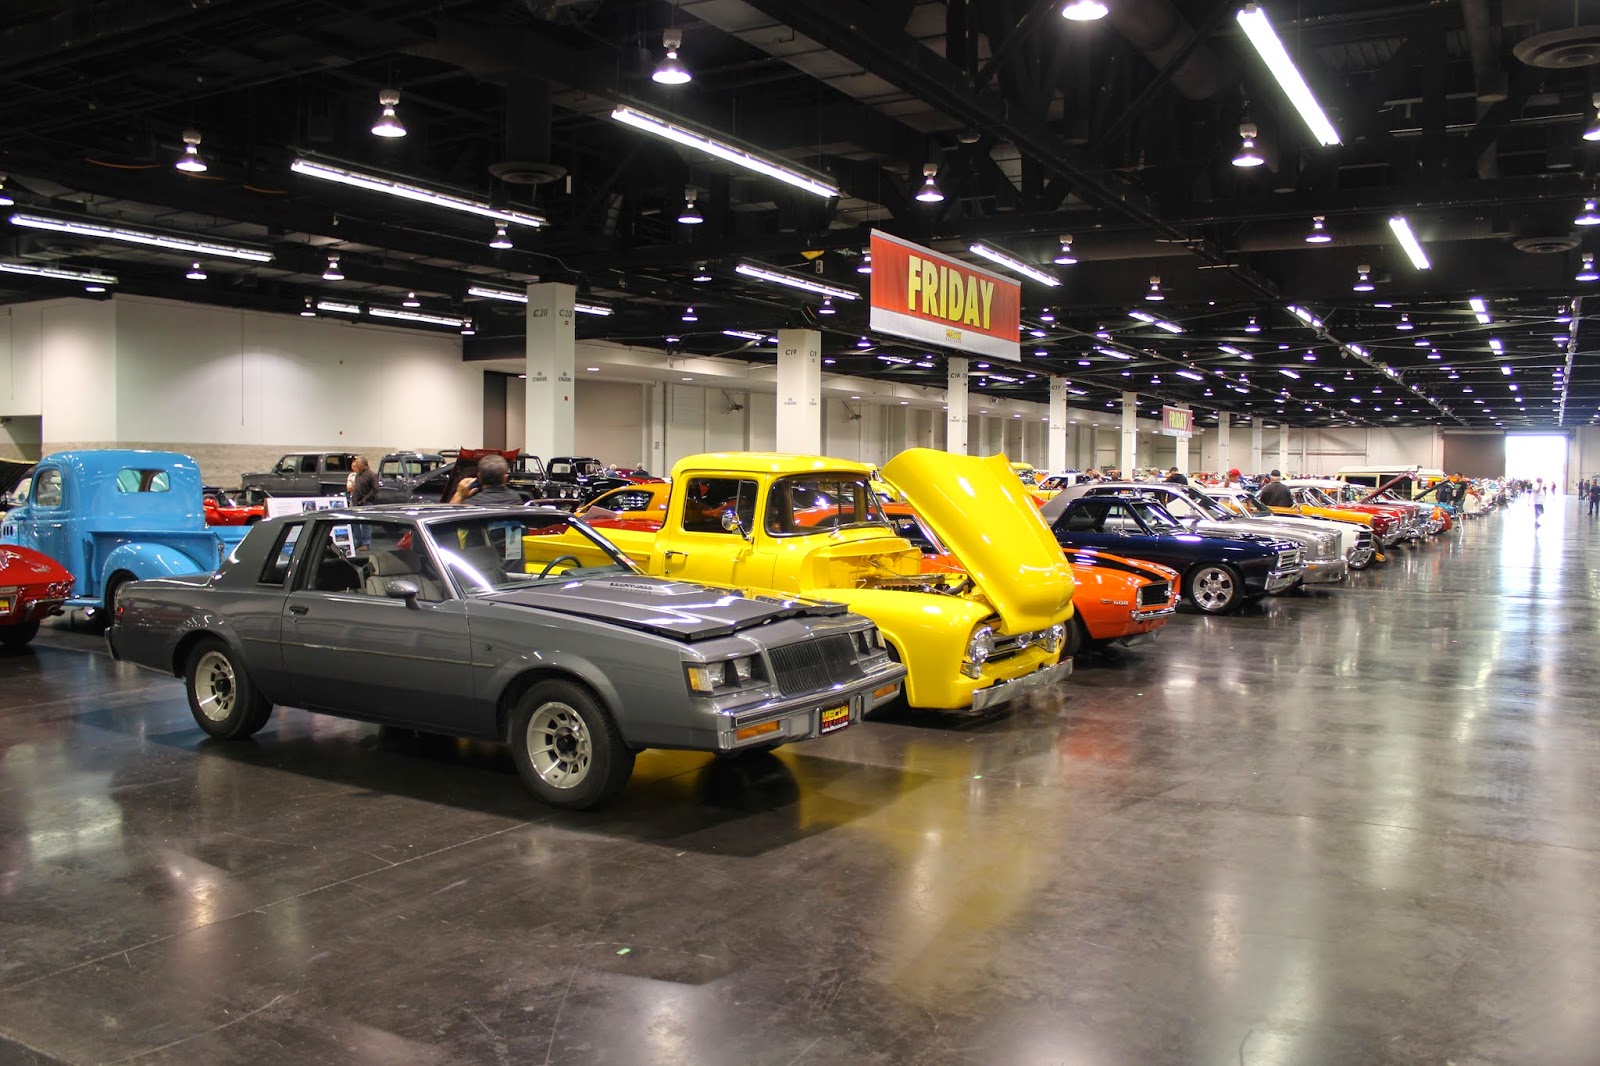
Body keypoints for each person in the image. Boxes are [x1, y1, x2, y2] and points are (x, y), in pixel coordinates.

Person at [450, 453, 524, 507]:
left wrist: (459, 494)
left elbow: (450, 515)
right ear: (505, 478)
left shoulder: (470, 504)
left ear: (479, 477)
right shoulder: (516, 499)